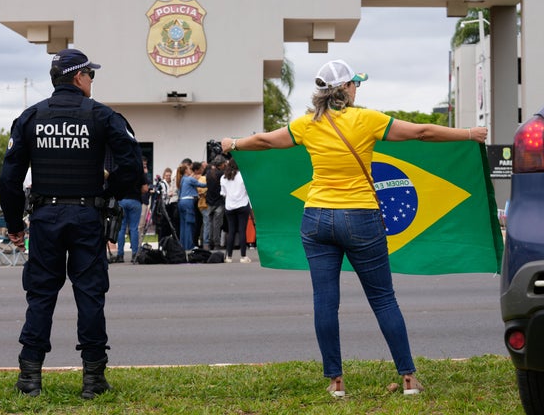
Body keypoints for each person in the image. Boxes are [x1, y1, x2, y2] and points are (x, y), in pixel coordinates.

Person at [219, 59, 488, 398]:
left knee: (325, 302)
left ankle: (336, 382)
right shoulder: (367, 119)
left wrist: (234, 143)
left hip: (316, 218)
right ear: (345, 89)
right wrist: (468, 134)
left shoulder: (307, 125)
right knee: (383, 299)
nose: (357, 88)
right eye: (355, 83)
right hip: (360, 218)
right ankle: (408, 379)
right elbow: (421, 132)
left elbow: (266, 141)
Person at [0, 48, 143, 399]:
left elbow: (9, 178)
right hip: (87, 216)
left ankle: (30, 377)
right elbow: (133, 167)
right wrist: (107, 192)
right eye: (90, 75)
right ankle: (93, 379)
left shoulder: (31, 117)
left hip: (45, 216)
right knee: (90, 294)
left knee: (41, 295)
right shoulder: (102, 116)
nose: (92, 80)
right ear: (79, 77)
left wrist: (15, 224)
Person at [219, 159, 252, 263]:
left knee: (231, 231)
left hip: (229, 206)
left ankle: (229, 256)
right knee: (242, 230)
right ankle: (243, 256)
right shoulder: (243, 175)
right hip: (242, 204)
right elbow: (248, 190)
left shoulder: (223, 178)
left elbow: (223, 193)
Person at [112, 172, 148, 263]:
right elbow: (145, 189)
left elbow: (113, 186)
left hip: (122, 200)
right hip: (135, 201)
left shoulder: (119, 170)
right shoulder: (138, 172)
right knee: (134, 228)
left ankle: (120, 255)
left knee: (121, 228)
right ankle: (134, 255)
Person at [176, 163, 207, 251]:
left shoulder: (182, 179)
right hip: (188, 202)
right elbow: (202, 185)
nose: (190, 170)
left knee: (183, 225)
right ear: (186, 171)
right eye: (189, 169)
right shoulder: (190, 179)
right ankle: (189, 245)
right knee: (189, 224)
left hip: (181, 202)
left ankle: (183, 245)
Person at [206, 155, 227, 249]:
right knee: (217, 224)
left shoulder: (208, 173)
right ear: (221, 165)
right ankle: (216, 244)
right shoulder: (221, 174)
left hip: (209, 201)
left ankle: (209, 242)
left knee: (209, 223)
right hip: (219, 202)